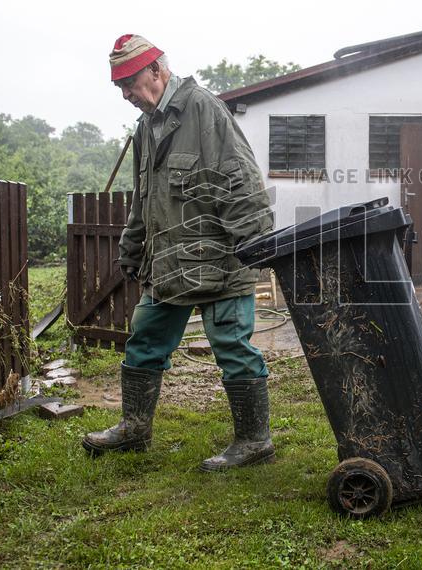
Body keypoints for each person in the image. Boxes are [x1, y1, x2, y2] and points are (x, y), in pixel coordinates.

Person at [82, 34, 276, 470]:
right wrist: (132, 248)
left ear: (156, 71)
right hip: (168, 263)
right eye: (120, 89)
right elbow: (144, 197)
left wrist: (256, 242)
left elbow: (238, 177)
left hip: (222, 259)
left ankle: (255, 441)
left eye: (130, 83)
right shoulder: (145, 127)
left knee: (232, 345)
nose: (127, 95)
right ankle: (134, 429)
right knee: (145, 340)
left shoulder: (203, 108)